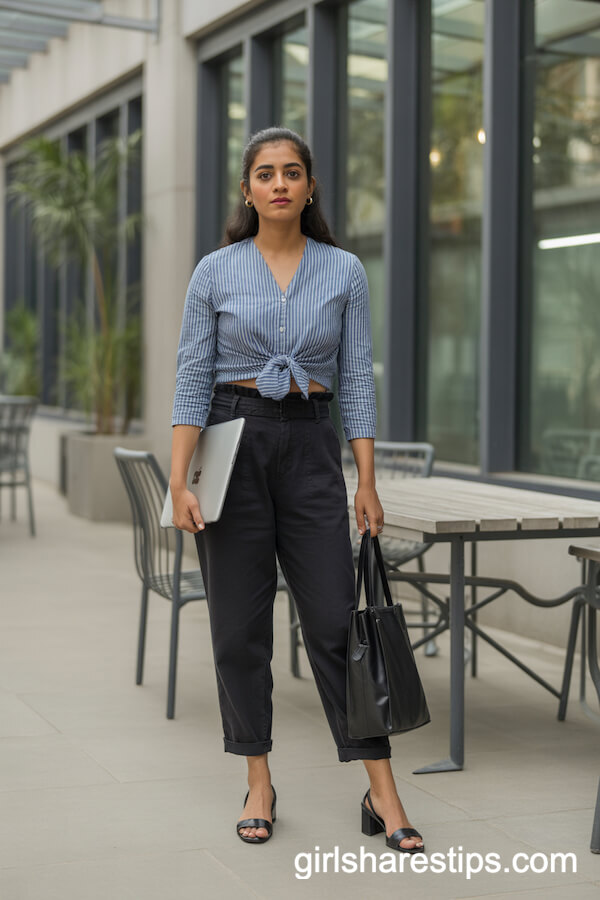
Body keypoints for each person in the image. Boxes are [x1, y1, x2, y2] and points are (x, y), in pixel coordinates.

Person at [169, 126, 424, 853]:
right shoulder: (214, 271)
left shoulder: (344, 271)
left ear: (310, 187)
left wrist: (365, 479)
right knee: (237, 630)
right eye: (264, 173)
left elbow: (355, 379)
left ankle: (382, 791)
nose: (278, 184)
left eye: (291, 173)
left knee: (338, 625)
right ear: (247, 191)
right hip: (230, 439)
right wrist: (180, 479)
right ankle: (258, 778)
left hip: (311, 444)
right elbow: (191, 375)